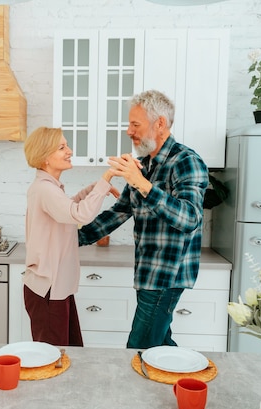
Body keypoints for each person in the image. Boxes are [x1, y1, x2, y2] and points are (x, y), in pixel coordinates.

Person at [78, 90, 209, 349]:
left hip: (166, 277)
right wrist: (72, 239)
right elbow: (119, 211)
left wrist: (143, 185)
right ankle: (187, 386)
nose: (128, 131)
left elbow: (190, 218)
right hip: (148, 274)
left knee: (138, 351)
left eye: (135, 124)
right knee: (160, 346)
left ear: (160, 124)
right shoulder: (144, 164)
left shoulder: (186, 162)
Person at [23, 126, 119, 346]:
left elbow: (68, 208)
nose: (70, 151)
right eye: (62, 147)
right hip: (48, 290)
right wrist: (106, 177)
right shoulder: (44, 189)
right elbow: (80, 214)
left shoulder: (49, 188)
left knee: (70, 352)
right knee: (54, 358)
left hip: (56, 288)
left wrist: (96, 187)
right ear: (45, 157)